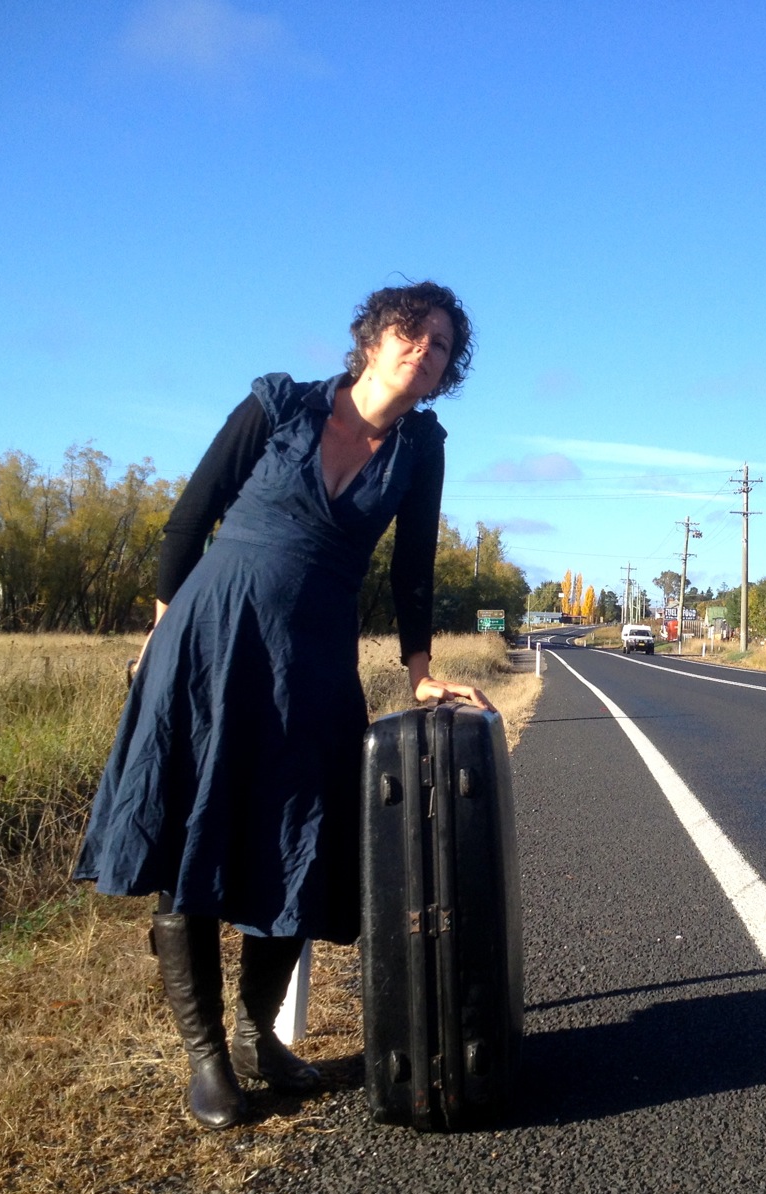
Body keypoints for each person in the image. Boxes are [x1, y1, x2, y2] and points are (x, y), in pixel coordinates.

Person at [75, 282, 493, 1130]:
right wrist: (164, 635)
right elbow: (187, 520)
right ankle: (208, 1061)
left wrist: (419, 672)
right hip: (210, 640)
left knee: (298, 844)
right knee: (192, 839)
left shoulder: (421, 449)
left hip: (313, 658)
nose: (425, 348)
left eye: (443, 344)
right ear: (373, 339)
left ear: (447, 371)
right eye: (412, 331)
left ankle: (259, 1033)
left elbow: (414, 568)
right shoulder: (279, 406)